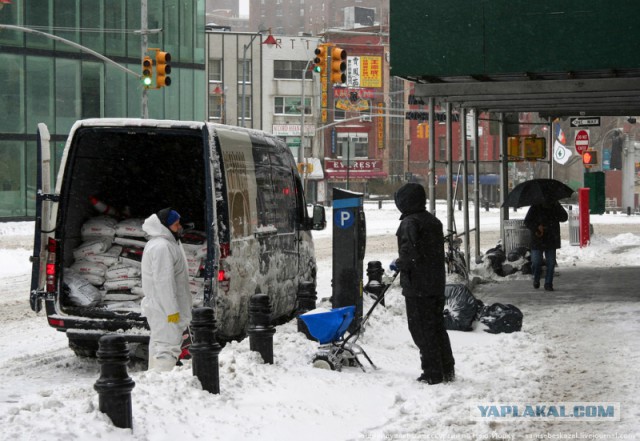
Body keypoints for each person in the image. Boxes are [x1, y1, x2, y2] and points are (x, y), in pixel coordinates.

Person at [391, 183, 455, 384]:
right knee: (436, 327)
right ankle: (447, 368)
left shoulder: (410, 223)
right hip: (435, 283)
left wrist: (399, 264)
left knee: (421, 329)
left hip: (417, 285)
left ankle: (432, 372)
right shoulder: (433, 221)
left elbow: (410, 253)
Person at [141, 207, 192, 371]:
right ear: (165, 226)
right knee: (167, 348)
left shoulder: (169, 243)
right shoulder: (162, 247)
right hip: (165, 309)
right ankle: (161, 383)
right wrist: (172, 311)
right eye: (176, 224)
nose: (179, 227)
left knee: (159, 345)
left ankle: (154, 382)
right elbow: (163, 281)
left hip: (164, 307)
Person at [524, 201, 568, 291]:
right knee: (536, 262)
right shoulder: (535, 206)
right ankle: (536, 278)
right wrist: (536, 226)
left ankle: (548, 283)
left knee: (551, 263)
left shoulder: (555, 205)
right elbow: (527, 222)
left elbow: (564, 217)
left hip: (551, 238)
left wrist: (556, 212)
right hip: (537, 239)